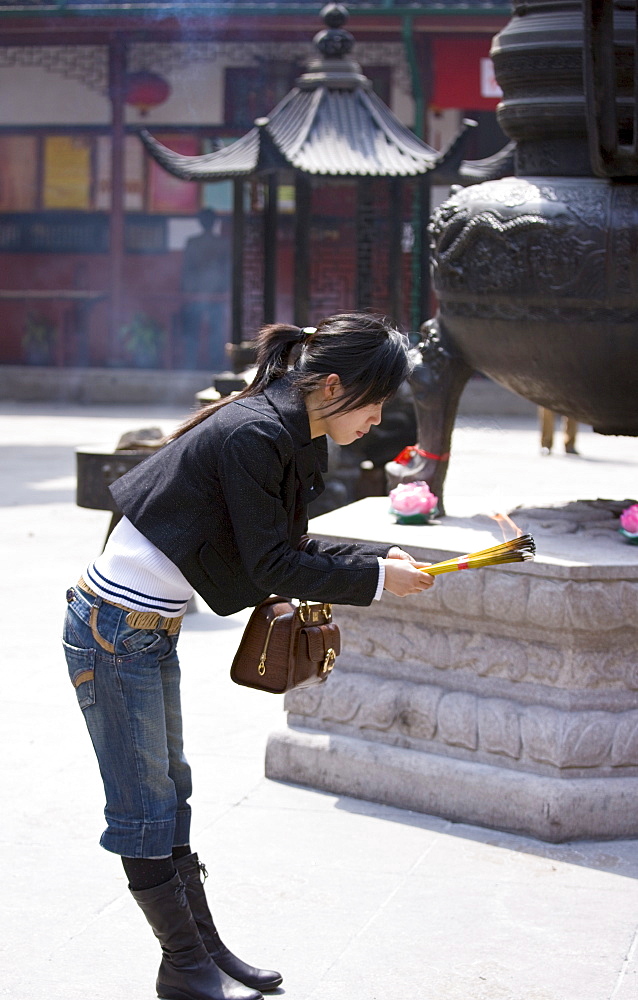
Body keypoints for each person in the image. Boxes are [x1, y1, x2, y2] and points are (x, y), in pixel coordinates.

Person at [62, 312, 435, 1000]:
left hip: (141, 629)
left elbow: (286, 549)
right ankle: (184, 964)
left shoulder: (288, 430)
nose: (380, 420)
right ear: (330, 386)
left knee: (171, 793)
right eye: (376, 402)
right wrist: (378, 581)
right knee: (145, 806)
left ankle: (200, 953)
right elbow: (275, 565)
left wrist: (382, 558)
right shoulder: (257, 433)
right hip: (114, 630)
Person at [180, 208, 230, 370]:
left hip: (200, 292)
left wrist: (188, 290)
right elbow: (227, 270)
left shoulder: (193, 242)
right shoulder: (222, 243)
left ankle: (191, 363)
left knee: (196, 330)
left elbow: (187, 270)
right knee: (214, 330)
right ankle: (213, 364)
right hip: (211, 292)